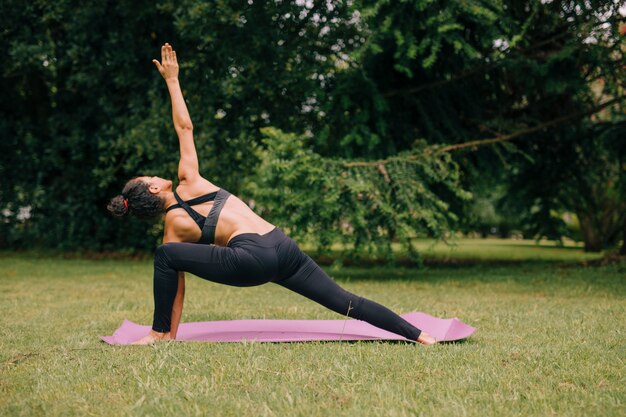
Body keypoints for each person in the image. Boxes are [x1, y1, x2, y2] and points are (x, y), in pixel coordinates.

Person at [107, 43, 437, 346]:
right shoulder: (188, 180)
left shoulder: (174, 230)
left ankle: (158, 334)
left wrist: (167, 333)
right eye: (149, 176)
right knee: (344, 300)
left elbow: (175, 286)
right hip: (281, 245)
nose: (154, 174)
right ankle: (420, 336)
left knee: (165, 255)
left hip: (253, 260)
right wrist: (173, 80)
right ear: (153, 188)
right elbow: (185, 127)